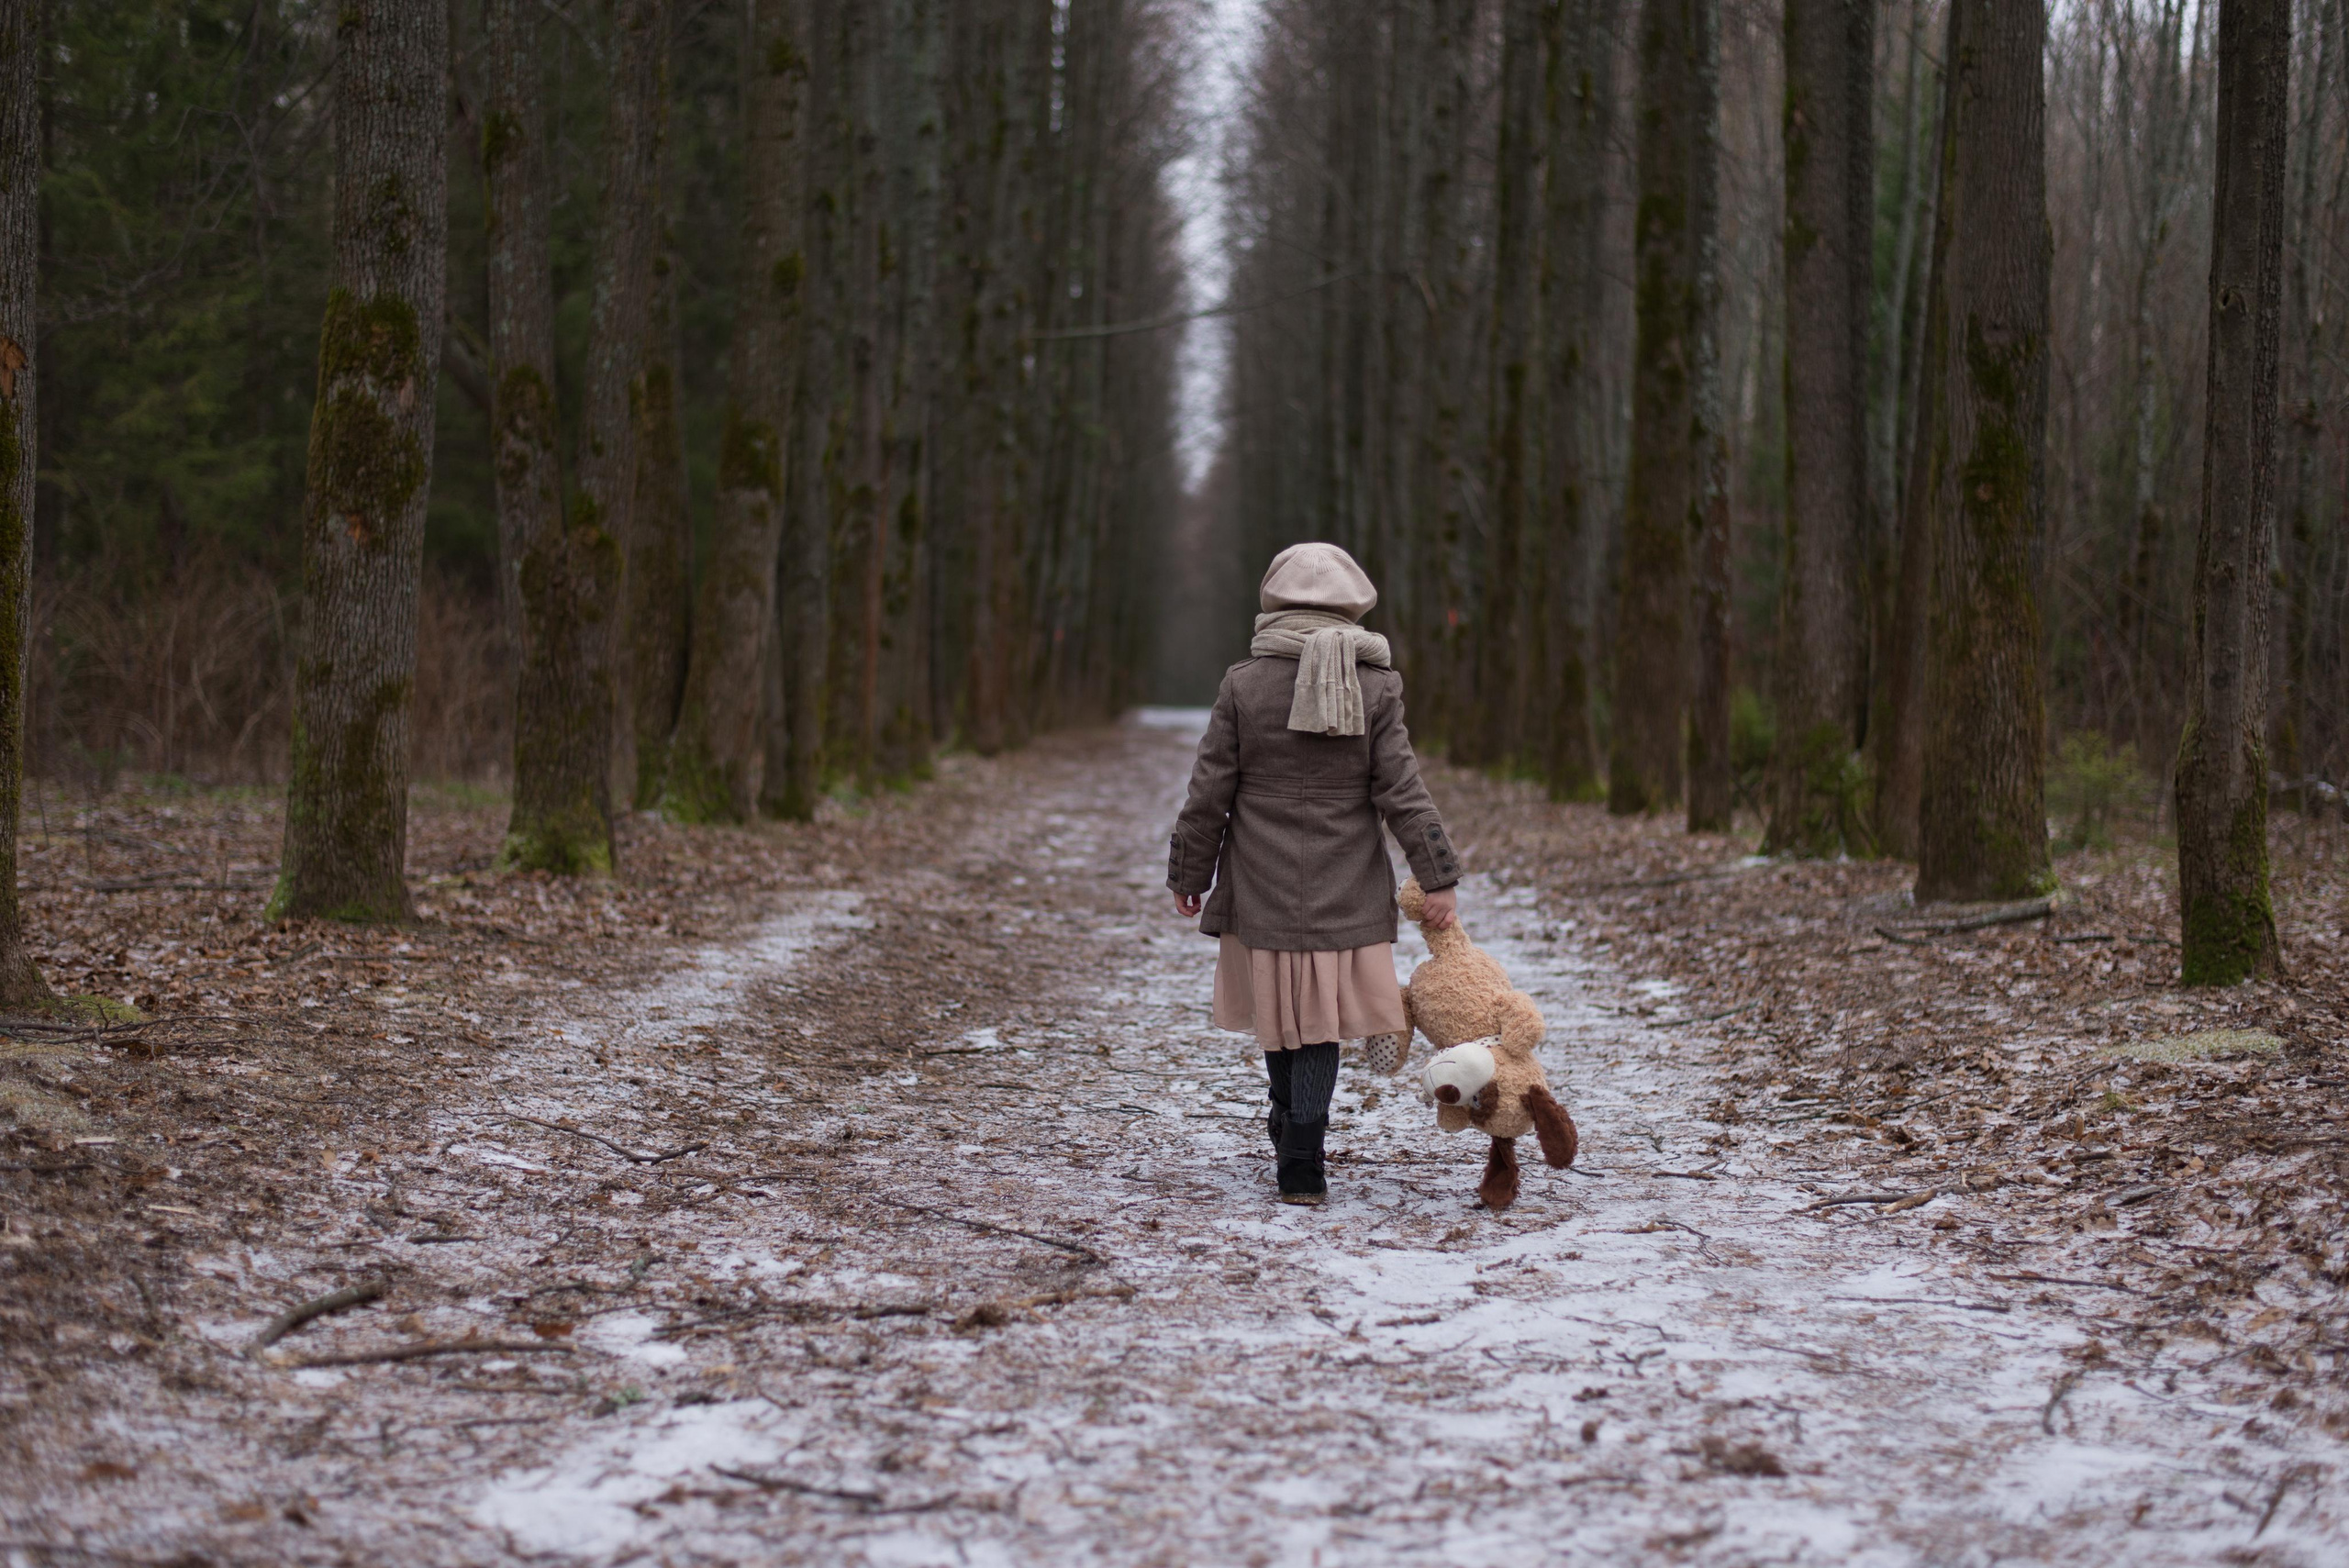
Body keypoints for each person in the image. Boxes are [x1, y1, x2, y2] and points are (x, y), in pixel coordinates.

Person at [1166, 542, 1463, 1205]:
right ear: (1355, 603)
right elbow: (1403, 790)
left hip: (1262, 880)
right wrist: (1436, 873)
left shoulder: (1243, 682)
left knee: (1280, 1013)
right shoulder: (1377, 682)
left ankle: (1287, 1122)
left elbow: (1208, 789)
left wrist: (1191, 870)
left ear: (1275, 600)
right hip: (1344, 882)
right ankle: (1304, 1149)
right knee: (1320, 1022)